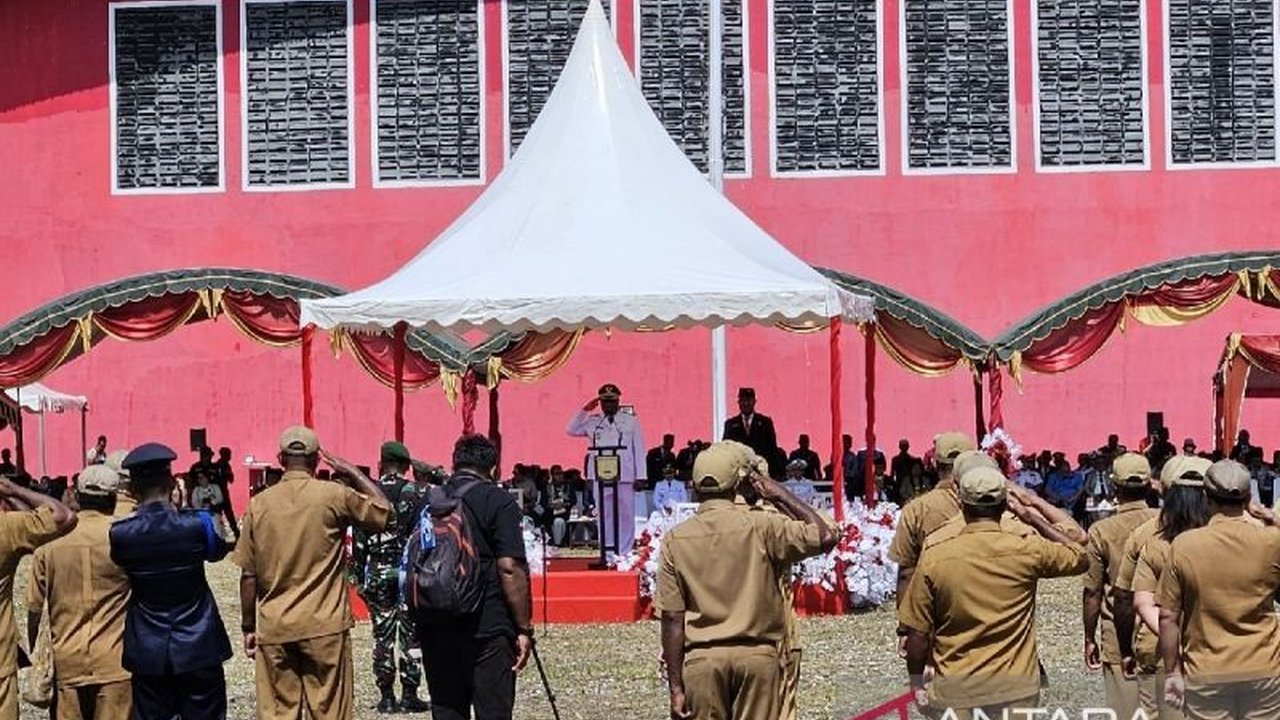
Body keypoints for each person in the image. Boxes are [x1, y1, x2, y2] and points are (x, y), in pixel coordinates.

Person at [657, 441, 836, 719]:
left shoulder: (675, 540)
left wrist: (676, 688)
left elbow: (671, 618)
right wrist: (779, 493)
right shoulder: (762, 525)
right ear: (740, 482)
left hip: (701, 660)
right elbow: (824, 536)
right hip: (756, 658)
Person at [901, 467, 1088, 717]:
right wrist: (1030, 517)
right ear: (1004, 507)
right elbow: (1079, 555)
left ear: (961, 504)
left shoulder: (935, 555)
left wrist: (917, 683)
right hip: (1014, 685)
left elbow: (918, 634)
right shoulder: (1026, 548)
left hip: (956, 686)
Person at [233, 427, 391, 720]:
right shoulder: (333, 495)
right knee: (330, 711)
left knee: (279, 712)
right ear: (317, 460)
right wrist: (352, 471)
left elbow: (249, 576)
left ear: (281, 459)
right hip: (324, 624)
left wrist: (248, 626)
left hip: (276, 624)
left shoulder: (259, 505)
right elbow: (383, 511)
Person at [413, 434, 532, 720]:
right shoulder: (498, 500)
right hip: (487, 624)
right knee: (493, 710)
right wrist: (524, 627)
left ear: (455, 463)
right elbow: (508, 567)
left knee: (447, 710)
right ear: (493, 467)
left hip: (434, 618)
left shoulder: (429, 501)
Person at [109, 442, 231, 720]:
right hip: (199, 640)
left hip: (148, 645)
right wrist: (186, 504)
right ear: (170, 482)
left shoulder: (121, 534)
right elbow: (218, 552)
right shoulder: (198, 523)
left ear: (133, 489)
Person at [1159, 460, 1280, 719]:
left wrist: (1172, 672)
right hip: (1263, 667)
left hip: (1206, 670)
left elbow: (1168, 617)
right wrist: (1273, 520)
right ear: (1248, 498)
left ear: (1206, 497)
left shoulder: (1184, 545)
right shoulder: (1271, 541)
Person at [27, 464, 131, 720]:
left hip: (66, 663)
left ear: (76, 494)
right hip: (116, 662)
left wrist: (37, 653)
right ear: (113, 497)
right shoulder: (125, 536)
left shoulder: (50, 543)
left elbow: (33, 610)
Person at [350, 441, 429, 713]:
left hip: (379, 571)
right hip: (410, 573)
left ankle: (386, 697)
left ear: (381, 463)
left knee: (382, 636)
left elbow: (359, 540)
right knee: (411, 635)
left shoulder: (367, 493)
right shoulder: (419, 492)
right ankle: (410, 694)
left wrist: (357, 576)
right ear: (407, 466)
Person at [1081, 453, 1160, 719]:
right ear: (1150, 485)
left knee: (1126, 712)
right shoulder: (1165, 522)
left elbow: (1092, 591)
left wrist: (1089, 638)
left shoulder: (1101, 530)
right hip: (1160, 628)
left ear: (1114, 487)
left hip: (1117, 630)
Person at [888, 432, 975, 607]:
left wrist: (905, 627)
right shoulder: (993, 506)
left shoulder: (915, 509)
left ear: (936, 464)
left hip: (933, 604)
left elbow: (906, 572)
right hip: (979, 603)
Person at [566, 383, 646, 555]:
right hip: (601, 475)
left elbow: (638, 448)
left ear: (618, 401)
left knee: (626, 514)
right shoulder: (593, 421)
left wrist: (641, 475)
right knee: (604, 514)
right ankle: (608, 553)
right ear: (600, 403)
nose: (609, 405)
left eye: (612, 401)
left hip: (625, 474)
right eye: (605, 402)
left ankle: (624, 553)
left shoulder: (630, 421)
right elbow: (571, 429)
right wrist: (585, 409)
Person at [722, 387, 782, 477]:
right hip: (738, 472)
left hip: (760, 470)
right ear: (738, 403)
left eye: (749, 400)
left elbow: (772, 449)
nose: (746, 404)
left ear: (754, 401)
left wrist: (772, 473)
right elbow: (726, 449)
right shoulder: (731, 424)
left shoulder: (765, 422)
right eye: (743, 400)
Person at [188, 467, 228, 539]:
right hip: (201, 515)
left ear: (207, 478)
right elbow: (194, 502)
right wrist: (202, 505)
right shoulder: (196, 490)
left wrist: (211, 503)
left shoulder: (215, 487)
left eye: (202, 478)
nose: (200, 480)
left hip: (214, 513)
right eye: (199, 478)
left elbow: (220, 498)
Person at [211, 447, 239, 539]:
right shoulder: (218, 466)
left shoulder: (225, 465)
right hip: (219, 493)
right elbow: (230, 479)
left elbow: (231, 479)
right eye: (228, 454)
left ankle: (234, 533)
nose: (229, 457)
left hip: (222, 492)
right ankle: (223, 534)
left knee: (228, 514)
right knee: (221, 514)